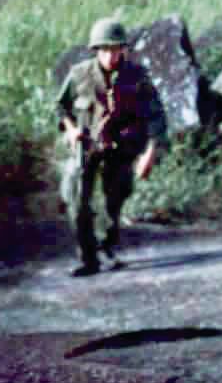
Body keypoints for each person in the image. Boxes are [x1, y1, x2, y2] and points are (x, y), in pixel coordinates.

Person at [55, 19, 167, 277]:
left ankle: (107, 246)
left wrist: (149, 153)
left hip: (121, 147)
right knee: (77, 201)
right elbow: (61, 107)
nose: (110, 55)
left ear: (123, 50)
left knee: (114, 201)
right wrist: (71, 130)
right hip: (87, 145)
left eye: (115, 49)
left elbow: (156, 116)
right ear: (95, 50)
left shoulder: (137, 76)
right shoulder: (79, 74)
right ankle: (87, 257)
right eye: (104, 49)